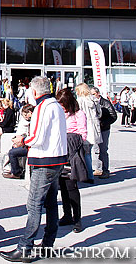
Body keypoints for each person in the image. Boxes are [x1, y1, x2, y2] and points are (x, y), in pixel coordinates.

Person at [0, 76, 68, 262]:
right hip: (57, 159)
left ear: (35, 91)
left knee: (34, 204)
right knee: (51, 203)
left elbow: (37, 137)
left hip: (44, 160)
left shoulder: (42, 108)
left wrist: (21, 140)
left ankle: (25, 247)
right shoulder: (55, 105)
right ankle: (47, 243)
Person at [56, 88, 88, 233]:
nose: (61, 106)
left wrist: (70, 137)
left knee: (71, 186)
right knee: (62, 185)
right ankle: (67, 214)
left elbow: (83, 134)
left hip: (72, 153)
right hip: (60, 153)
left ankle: (77, 218)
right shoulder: (60, 113)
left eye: (63, 104)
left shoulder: (78, 114)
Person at [90, 86, 117, 179]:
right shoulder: (92, 102)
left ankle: (105, 170)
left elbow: (113, 116)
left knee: (103, 150)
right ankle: (98, 168)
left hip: (104, 129)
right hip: (95, 129)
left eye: (93, 94)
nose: (92, 96)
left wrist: (103, 123)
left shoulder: (105, 102)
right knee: (96, 149)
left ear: (98, 93)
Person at [75, 83, 100, 181]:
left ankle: (88, 175)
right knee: (89, 152)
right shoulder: (94, 99)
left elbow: (78, 114)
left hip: (85, 128)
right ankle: (90, 173)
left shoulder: (80, 100)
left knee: (85, 153)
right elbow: (99, 113)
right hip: (94, 129)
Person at [3, 104, 33, 180]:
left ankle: (16, 172)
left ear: (30, 112)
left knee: (12, 153)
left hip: (29, 146)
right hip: (26, 143)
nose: (26, 117)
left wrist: (22, 141)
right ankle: (14, 169)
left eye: (26, 115)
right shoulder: (29, 121)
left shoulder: (32, 122)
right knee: (13, 148)